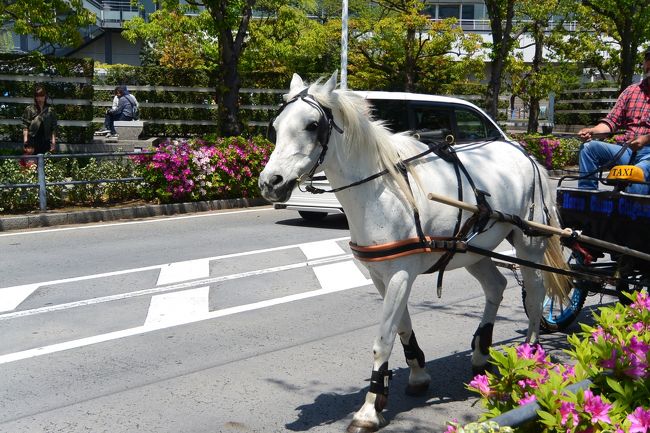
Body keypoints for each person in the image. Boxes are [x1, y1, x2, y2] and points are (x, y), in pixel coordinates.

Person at [577, 49, 650, 195]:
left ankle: (631, 215)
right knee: (588, 148)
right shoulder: (631, 91)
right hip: (626, 149)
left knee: (636, 173)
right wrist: (593, 131)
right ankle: (585, 199)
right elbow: (611, 121)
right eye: (647, 62)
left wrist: (646, 139)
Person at [22, 85, 57, 154]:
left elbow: (54, 128)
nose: (39, 98)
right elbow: (25, 126)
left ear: (45, 96)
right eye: (37, 96)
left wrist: (53, 143)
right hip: (32, 140)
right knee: (32, 163)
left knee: (45, 162)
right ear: (35, 97)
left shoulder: (50, 110)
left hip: (45, 140)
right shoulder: (29, 109)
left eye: (41, 96)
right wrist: (26, 143)